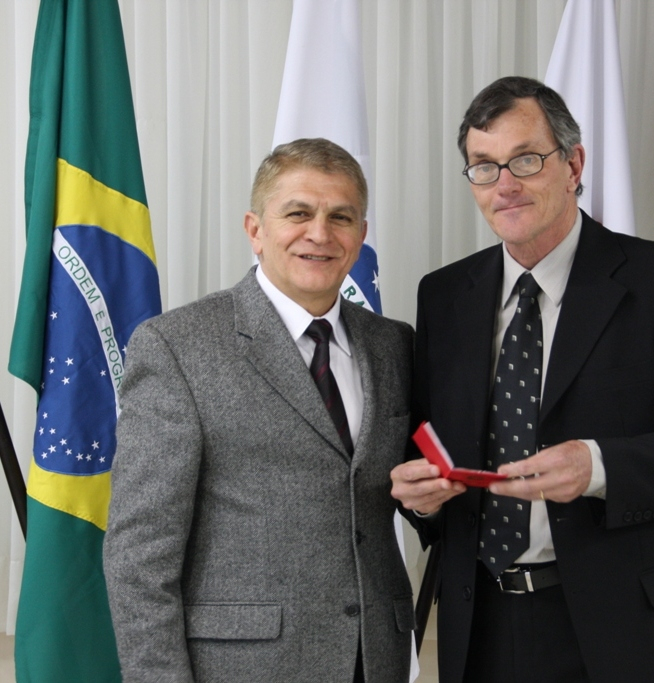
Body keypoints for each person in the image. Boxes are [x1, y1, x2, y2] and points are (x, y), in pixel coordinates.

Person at [391, 76, 654, 683]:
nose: (505, 185)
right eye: (484, 166)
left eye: (526, 159)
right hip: (480, 627)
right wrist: (419, 497)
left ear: (573, 165)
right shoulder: (443, 296)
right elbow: (434, 450)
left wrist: (599, 468)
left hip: (627, 629)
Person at [104, 138, 416, 682]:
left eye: (341, 217)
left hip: (376, 662)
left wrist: (428, 505)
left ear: (361, 235)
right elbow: (139, 556)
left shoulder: (394, 345)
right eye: (298, 213)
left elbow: (406, 492)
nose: (320, 233)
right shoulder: (177, 346)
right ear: (255, 230)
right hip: (241, 666)